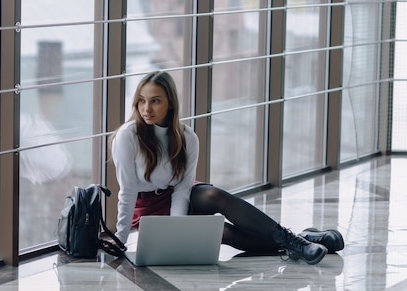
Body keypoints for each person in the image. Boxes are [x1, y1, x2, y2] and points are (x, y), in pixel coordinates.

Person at [110, 70, 344, 265]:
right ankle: (301, 240)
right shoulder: (128, 137)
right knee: (221, 233)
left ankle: (294, 242)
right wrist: (120, 239)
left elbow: (182, 189)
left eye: (155, 100)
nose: (146, 108)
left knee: (213, 195)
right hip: (147, 209)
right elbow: (128, 191)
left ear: (170, 103)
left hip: (178, 199)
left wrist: (177, 226)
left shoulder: (187, 137)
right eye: (141, 100)